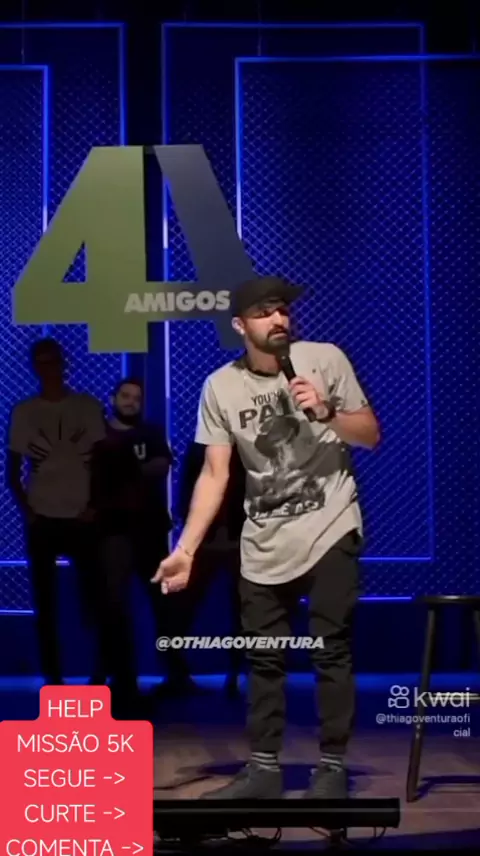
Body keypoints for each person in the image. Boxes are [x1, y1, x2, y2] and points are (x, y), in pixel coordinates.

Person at [152, 275, 380, 799]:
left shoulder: (324, 359)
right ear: (240, 326)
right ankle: (263, 770)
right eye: (264, 312)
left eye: (282, 310)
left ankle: (331, 767)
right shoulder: (221, 386)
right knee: (263, 655)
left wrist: (326, 412)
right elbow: (215, 474)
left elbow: (369, 434)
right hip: (263, 538)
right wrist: (185, 550)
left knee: (330, 648)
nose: (278, 319)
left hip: (330, 523)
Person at [6, 338, 106, 685]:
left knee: (94, 600)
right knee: (45, 604)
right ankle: (53, 678)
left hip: (82, 517)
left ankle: (99, 674)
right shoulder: (24, 412)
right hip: (44, 518)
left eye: (53, 361)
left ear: (64, 364)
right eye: (42, 362)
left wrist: (94, 505)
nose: (48, 369)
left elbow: (103, 463)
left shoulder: (87, 407)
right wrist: (29, 512)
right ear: (35, 367)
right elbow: (12, 471)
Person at [90, 378, 175, 708]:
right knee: (112, 606)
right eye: (125, 396)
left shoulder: (150, 433)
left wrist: (124, 472)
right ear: (112, 398)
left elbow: (161, 466)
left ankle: (175, 673)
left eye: (137, 398)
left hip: (150, 530)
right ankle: (108, 676)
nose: (131, 402)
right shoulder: (98, 435)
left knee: (163, 604)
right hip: (112, 531)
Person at [177, 441, 245, 696]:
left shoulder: (248, 447)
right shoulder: (200, 449)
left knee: (241, 609)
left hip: (237, 538)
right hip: (208, 540)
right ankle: (178, 672)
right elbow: (187, 491)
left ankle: (235, 672)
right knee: (186, 606)